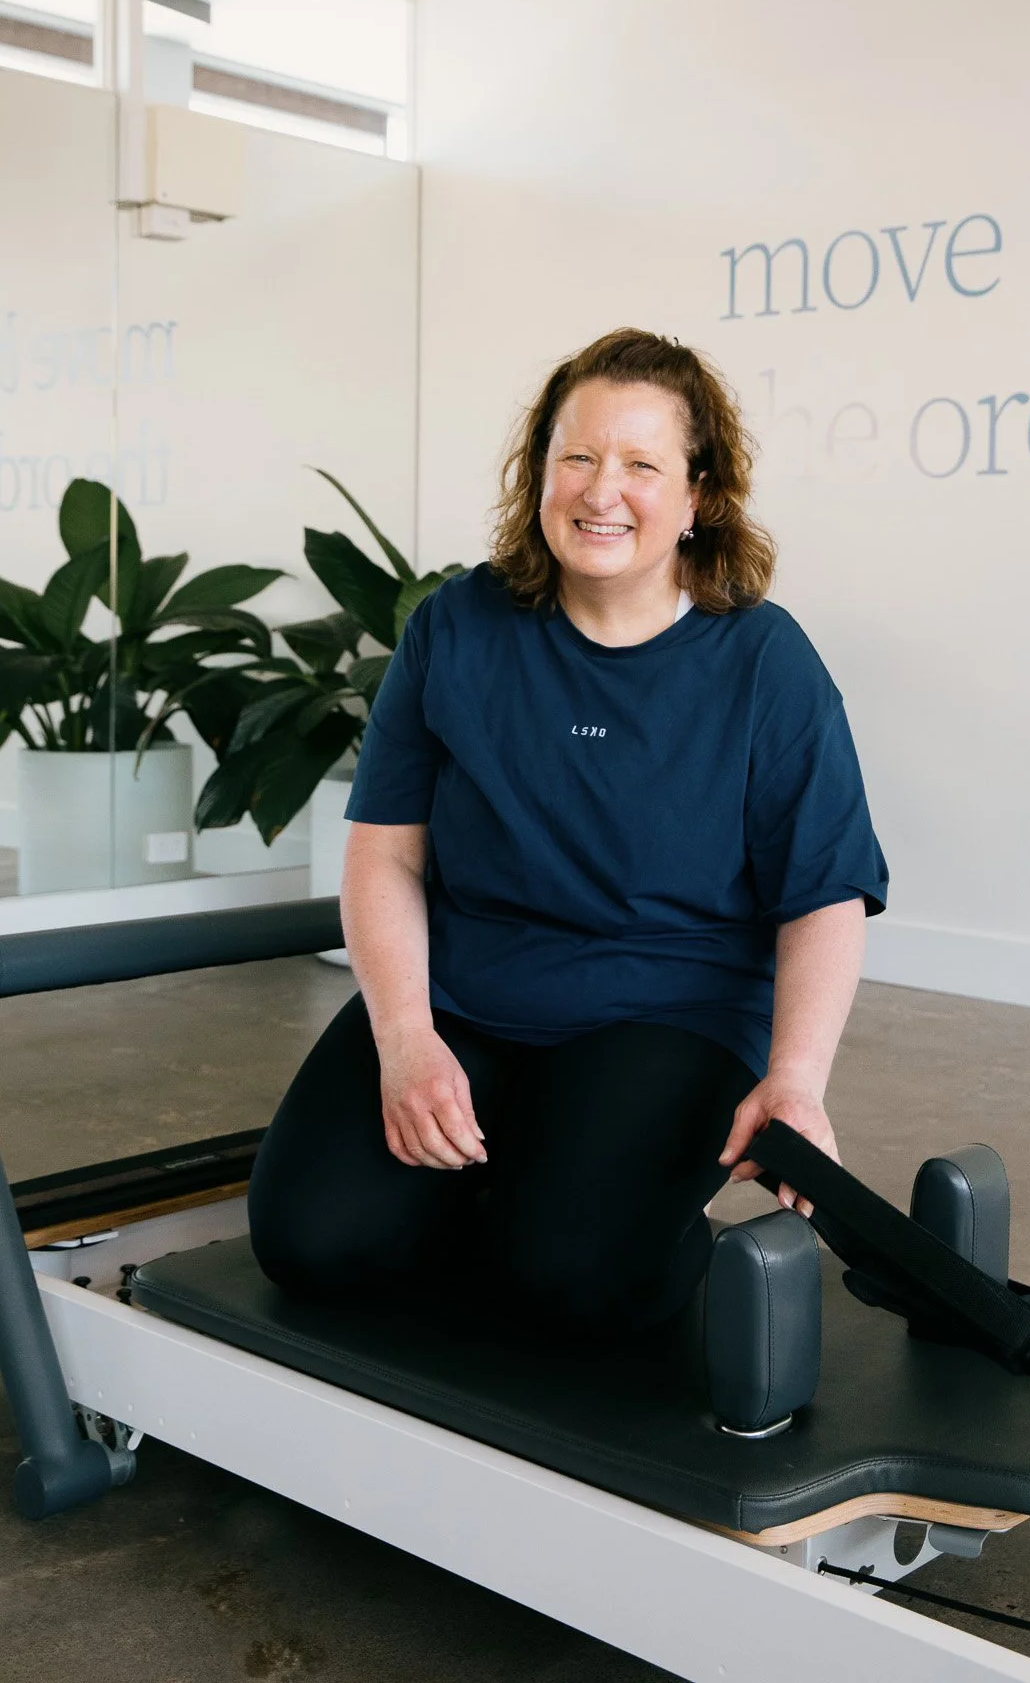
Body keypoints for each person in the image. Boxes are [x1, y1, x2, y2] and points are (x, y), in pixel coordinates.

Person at [249, 329, 888, 1336]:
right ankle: (524, 1188)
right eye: (578, 456)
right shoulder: (456, 626)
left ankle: (601, 1217)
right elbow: (387, 850)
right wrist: (407, 1037)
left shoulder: (765, 660)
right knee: (313, 1240)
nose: (602, 491)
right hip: (468, 996)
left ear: (698, 494)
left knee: (567, 1276)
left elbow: (823, 894)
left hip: (663, 1011)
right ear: (539, 469)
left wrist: (796, 1081)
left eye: (642, 463)